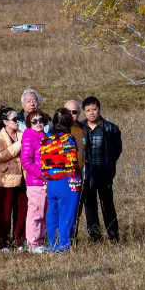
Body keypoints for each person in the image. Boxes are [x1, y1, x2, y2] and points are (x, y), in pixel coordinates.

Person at [80, 96, 123, 242]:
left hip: (104, 172)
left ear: (99, 109)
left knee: (107, 205)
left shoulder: (111, 128)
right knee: (90, 205)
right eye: (88, 110)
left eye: (94, 109)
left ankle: (113, 235)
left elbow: (117, 150)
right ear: (84, 112)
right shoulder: (79, 129)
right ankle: (95, 236)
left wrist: (109, 165)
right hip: (86, 174)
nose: (92, 113)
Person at [40, 108, 83, 253]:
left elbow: (43, 164)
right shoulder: (68, 139)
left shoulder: (46, 140)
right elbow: (72, 162)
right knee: (67, 214)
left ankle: (54, 243)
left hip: (51, 183)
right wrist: (76, 181)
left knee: (53, 213)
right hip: (67, 181)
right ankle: (64, 245)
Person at [0, 107, 26, 251]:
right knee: (4, 213)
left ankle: (19, 241)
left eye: (19, 119)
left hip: (22, 179)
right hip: (6, 181)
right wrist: (18, 145)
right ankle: (3, 242)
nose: (18, 122)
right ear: (5, 122)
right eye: (15, 120)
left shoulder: (22, 134)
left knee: (22, 211)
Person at [20, 110, 49, 253]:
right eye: (34, 121)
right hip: (35, 183)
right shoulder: (28, 136)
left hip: (48, 182)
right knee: (35, 213)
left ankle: (41, 241)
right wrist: (42, 174)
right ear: (29, 124)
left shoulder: (46, 136)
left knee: (44, 213)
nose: (39, 123)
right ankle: (32, 243)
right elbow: (26, 161)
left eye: (41, 120)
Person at [62, 99, 87, 242]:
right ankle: (61, 237)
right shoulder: (57, 129)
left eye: (75, 112)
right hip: (61, 176)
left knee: (76, 207)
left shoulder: (82, 130)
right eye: (68, 112)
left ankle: (72, 237)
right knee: (62, 207)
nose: (72, 115)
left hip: (78, 175)